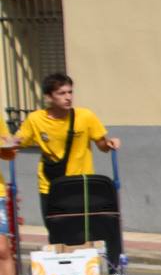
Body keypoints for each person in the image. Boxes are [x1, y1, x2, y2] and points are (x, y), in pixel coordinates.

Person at [9, 73, 119, 202]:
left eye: (70, 92)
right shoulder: (36, 119)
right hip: (50, 185)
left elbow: (103, 146)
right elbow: (16, 143)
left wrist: (110, 143)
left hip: (81, 184)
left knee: (81, 223)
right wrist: (8, 144)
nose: (68, 97)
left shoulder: (85, 116)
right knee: (54, 222)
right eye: (62, 93)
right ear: (49, 97)